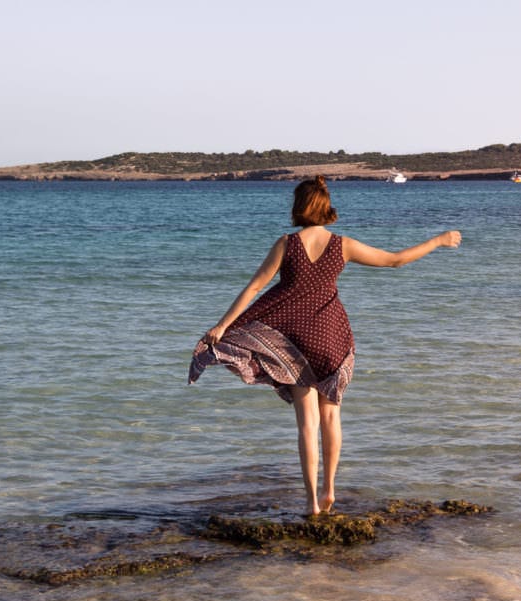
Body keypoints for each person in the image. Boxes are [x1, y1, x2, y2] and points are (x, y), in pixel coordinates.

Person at [189, 176, 461, 516]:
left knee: (308, 423)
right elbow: (395, 260)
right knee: (331, 417)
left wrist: (223, 326)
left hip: (295, 344)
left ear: (299, 205)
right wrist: (438, 240)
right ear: (325, 205)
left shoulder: (286, 244)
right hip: (332, 338)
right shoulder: (342, 245)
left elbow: (253, 288)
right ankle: (331, 490)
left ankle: (311, 502)